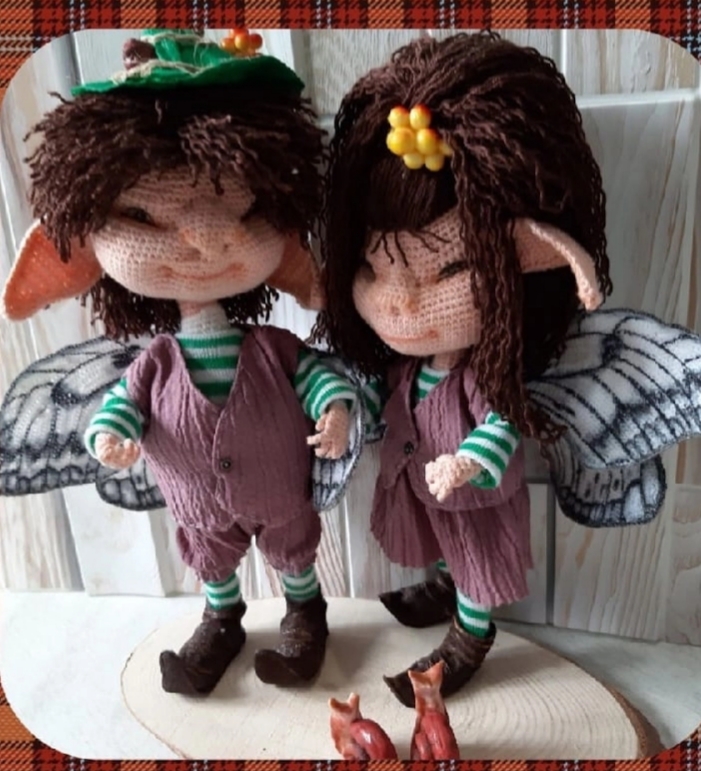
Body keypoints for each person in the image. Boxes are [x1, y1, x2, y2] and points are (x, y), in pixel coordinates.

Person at [316, 31, 611, 706]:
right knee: (441, 542)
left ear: (521, 261)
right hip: (426, 486)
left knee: (476, 556)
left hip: (474, 494)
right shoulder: (404, 368)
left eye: (448, 271)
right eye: (372, 269)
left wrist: (470, 461)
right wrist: (343, 414)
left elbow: (503, 423)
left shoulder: (484, 377)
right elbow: (376, 398)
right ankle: (444, 586)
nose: (399, 304)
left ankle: (471, 633)